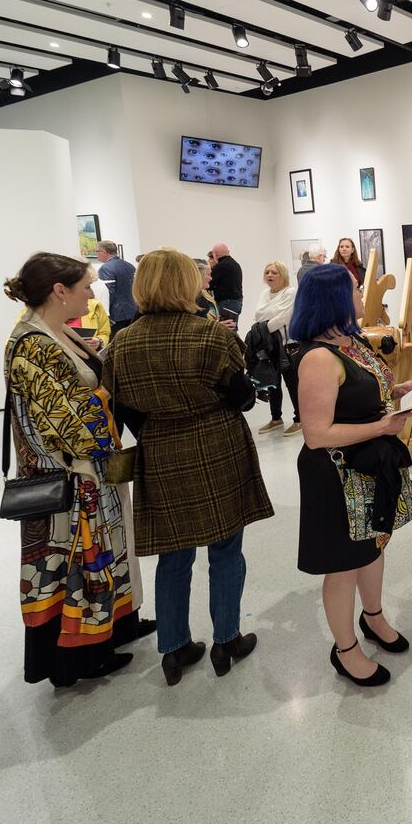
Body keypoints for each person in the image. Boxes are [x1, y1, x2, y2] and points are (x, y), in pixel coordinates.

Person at [104, 249, 272, 685]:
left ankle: (174, 650)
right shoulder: (209, 335)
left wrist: (158, 425)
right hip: (217, 447)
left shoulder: (122, 341)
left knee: (173, 555)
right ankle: (226, 640)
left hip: (160, 453)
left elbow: (120, 409)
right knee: (225, 550)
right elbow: (244, 398)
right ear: (185, 284)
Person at [3, 253, 141, 689]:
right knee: (74, 566)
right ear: (59, 291)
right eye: (85, 287)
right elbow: (64, 418)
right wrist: (102, 396)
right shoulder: (34, 344)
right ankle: (79, 657)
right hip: (69, 476)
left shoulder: (52, 333)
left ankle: (107, 635)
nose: (91, 294)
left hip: (84, 471)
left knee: (95, 560)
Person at [290, 264, 412, 688]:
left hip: (367, 468)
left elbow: (360, 394)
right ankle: (345, 649)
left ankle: (374, 616)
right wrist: (380, 427)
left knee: (374, 545)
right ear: (332, 299)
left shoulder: (350, 343)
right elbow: (317, 434)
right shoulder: (317, 357)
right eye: (354, 288)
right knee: (344, 564)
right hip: (336, 474)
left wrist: (396, 392)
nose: (361, 293)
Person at [248, 261, 296, 433]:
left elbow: (284, 317)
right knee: (272, 382)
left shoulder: (290, 292)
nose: (270, 275)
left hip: (287, 344)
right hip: (269, 344)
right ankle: (276, 418)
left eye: (274, 272)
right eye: (267, 272)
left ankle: (299, 419)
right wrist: (267, 321)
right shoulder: (264, 294)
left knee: (292, 383)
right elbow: (258, 314)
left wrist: (262, 329)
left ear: (282, 275)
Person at [96, 241, 137, 333]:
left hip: (117, 315)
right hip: (132, 311)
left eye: (97, 251)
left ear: (104, 251)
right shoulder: (129, 266)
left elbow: (108, 293)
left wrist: (103, 315)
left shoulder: (105, 268)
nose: (96, 255)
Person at [208, 242, 244, 323]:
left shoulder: (221, 266)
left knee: (225, 329)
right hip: (237, 301)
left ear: (215, 254)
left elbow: (209, 284)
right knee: (232, 327)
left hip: (225, 302)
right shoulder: (235, 264)